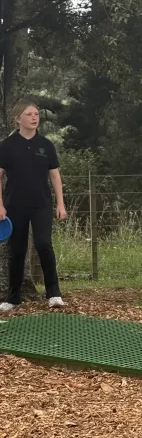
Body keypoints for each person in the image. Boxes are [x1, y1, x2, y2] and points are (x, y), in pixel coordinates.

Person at [0, 100, 67, 311]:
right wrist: (0, 205)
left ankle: (54, 294)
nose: (34, 117)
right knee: (16, 251)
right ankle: (12, 298)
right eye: (29, 114)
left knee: (44, 245)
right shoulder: (6, 146)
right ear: (18, 118)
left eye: (36, 114)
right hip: (14, 206)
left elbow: (55, 176)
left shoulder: (46, 145)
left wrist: (61, 204)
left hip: (42, 205)